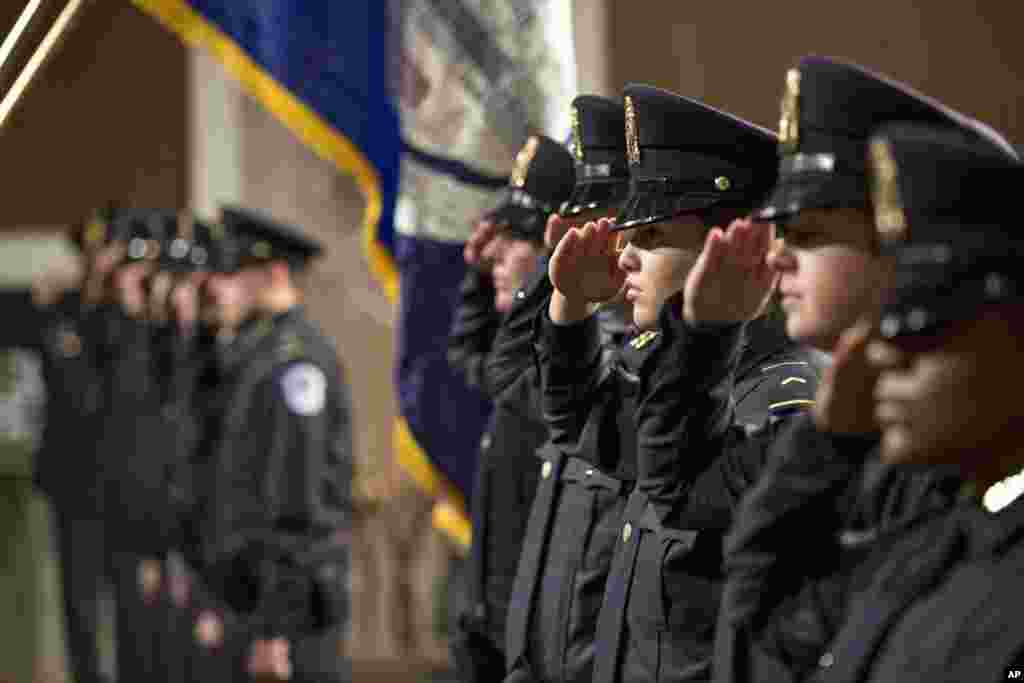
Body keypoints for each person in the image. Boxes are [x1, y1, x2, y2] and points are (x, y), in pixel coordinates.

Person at [712, 56, 1019, 683]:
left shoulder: (941, 468)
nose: (776, 259)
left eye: (810, 233)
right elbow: (765, 624)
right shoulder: (943, 520)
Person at [504, 84, 814, 683]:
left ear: (735, 245)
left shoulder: (780, 394)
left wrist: (704, 333)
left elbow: (681, 484)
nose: (624, 255)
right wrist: (568, 307)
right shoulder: (691, 382)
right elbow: (589, 427)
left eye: (650, 237)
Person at [804, 123, 1024, 683]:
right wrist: (822, 443)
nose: (883, 358)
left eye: (924, 331)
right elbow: (769, 623)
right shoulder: (943, 534)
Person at [186, 206, 352, 682]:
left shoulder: (295, 363)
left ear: (273, 273)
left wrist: (273, 628)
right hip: (257, 598)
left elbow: (297, 504)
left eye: (233, 272)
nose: (219, 286)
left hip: (292, 611)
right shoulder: (257, 352)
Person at [448, 134, 576, 683]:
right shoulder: (522, 357)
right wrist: (482, 283)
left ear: (557, 244)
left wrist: (542, 284)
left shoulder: (567, 359)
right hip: (500, 628)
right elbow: (471, 360)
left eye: (516, 239)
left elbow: (497, 371)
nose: (495, 254)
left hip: (541, 644)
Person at [0, 206, 122, 683]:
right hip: (74, 481)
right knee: (79, 602)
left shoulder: (129, 315)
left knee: (129, 607)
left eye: (103, 253)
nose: (95, 263)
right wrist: (38, 296)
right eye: (87, 253)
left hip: (124, 484)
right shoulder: (59, 309)